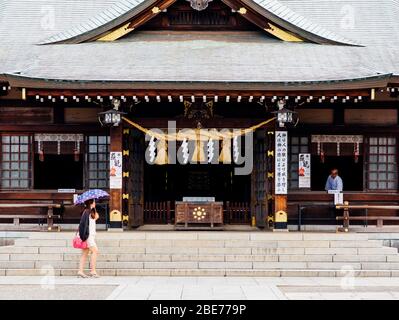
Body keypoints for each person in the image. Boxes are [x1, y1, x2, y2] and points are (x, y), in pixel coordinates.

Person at [77, 199, 100, 278]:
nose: (95, 203)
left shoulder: (90, 212)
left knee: (84, 254)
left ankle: (80, 271)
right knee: (95, 251)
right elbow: (84, 224)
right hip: (88, 236)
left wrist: (94, 209)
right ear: (91, 203)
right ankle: (93, 271)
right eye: (94, 202)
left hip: (90, 236)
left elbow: (96, 217)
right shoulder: (87, 212)